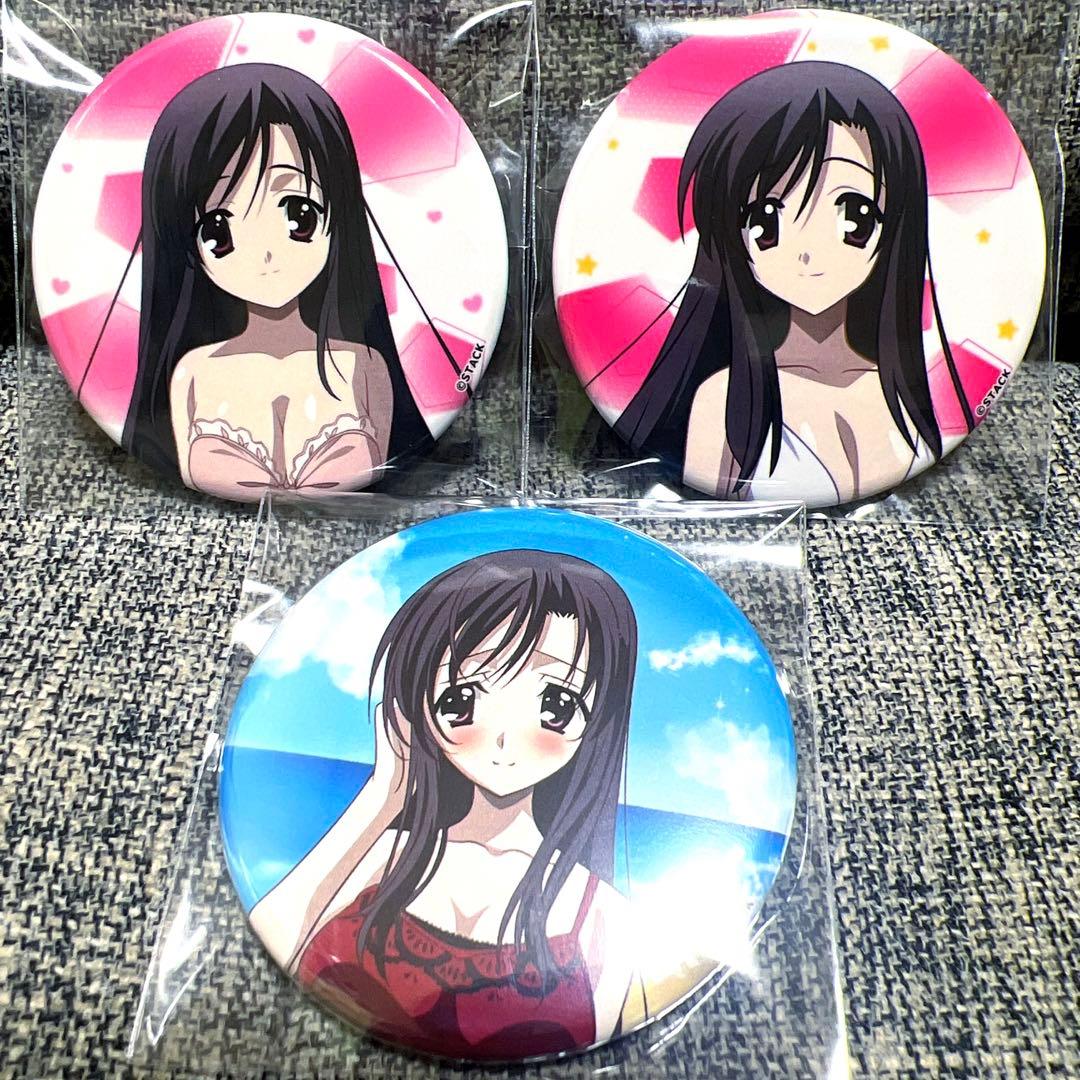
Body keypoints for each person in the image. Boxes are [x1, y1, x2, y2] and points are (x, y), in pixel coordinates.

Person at [250, 549, 641, 1059]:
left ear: (599, 720)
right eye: (461, 699)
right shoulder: (383, 852)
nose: (503, 740)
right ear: (418, 704)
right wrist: (383, 794)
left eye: (556, 705)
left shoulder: (605, 915)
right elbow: (275, 928)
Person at [614, 61, 973, 504]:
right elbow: (714, 516)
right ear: (729, 235)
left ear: (897, 221)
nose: (808, 252)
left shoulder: (901, 393)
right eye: (766, 221)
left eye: (854, 215)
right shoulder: (725, 399)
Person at [88, 64, 435, 496]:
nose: (266, 254)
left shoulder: (364, 365)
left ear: (340, 211)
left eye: (299, 215)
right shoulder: (191, 373)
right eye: (218, 231)